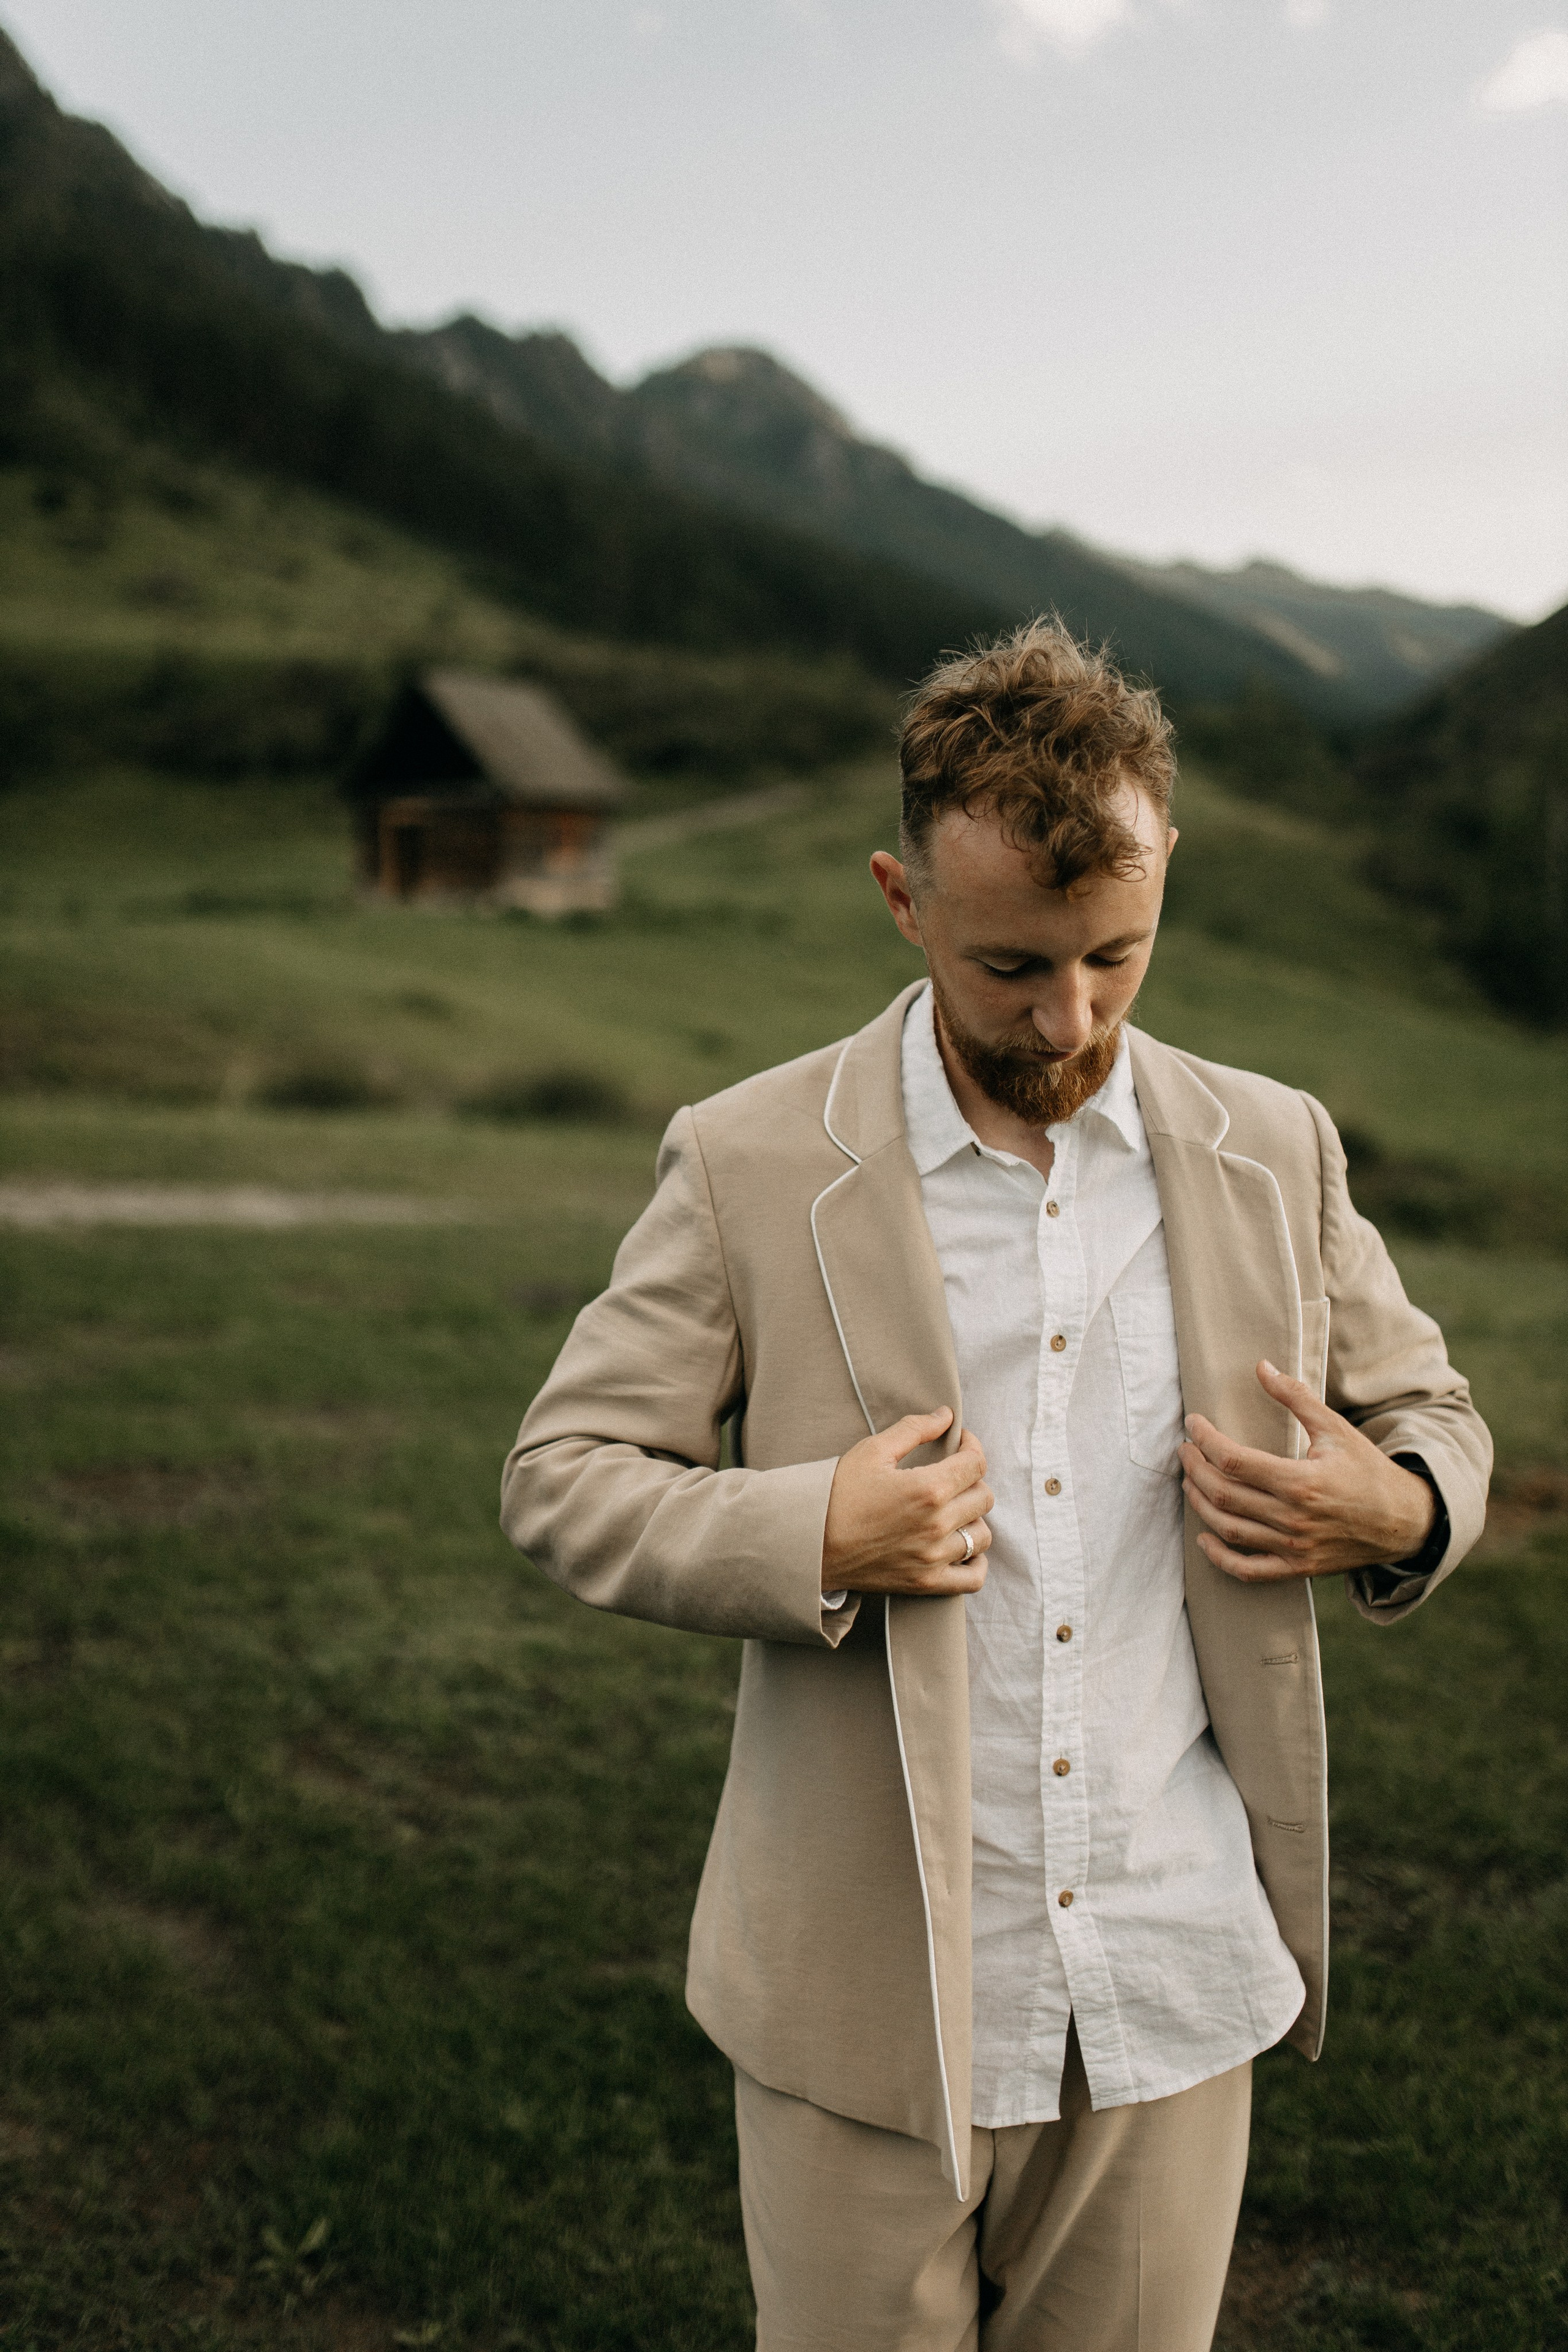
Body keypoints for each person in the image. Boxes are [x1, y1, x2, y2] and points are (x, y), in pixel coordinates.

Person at [500, 620, 1490, 2352]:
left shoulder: (1276, 1147)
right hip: (860, 2002)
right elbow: (563, 1477)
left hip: (1174, 1982)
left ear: (1166, 867)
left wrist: (1396, 1508)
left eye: (1118, 954)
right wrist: (810, 1527)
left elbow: (1436, 1416)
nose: (1074, 1016)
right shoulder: (745, 1159)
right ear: (905, 898)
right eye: (1014, 966)